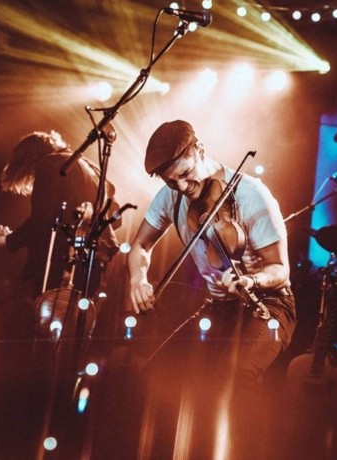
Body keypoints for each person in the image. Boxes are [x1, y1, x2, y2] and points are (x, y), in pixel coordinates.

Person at [126, 120, 296, 457]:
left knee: (237, 380)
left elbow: (280, 270)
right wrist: (137, 279)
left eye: (186, 174)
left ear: (200, 150)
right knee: (155, 377)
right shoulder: (171, 196)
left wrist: (250, 281)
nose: (182, 186)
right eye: (171, 181)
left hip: (268, 304)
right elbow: (139, 246)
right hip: (220, 308)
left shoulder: (251, 195)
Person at [0, 130, 119, 332]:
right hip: (93, 261)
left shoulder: (50, 164)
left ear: (26, 158)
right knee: (73, 328)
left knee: (46, 326)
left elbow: (42, 217)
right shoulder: (89, 166)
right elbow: (114, 215)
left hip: (62, 263)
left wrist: (11, 240)